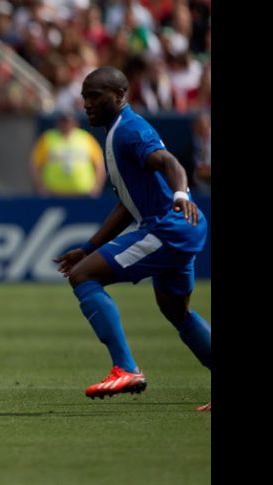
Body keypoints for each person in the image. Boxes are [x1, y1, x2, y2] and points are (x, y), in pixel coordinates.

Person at [53, 67, 211, 412]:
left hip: (169, 226)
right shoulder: (116, 133)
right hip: (177, 227)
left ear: (120, 96)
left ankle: (125, 368)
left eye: (95, 96)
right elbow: (127, 204)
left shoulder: (130, 131)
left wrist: (181, 196)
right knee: (175, 310)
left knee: (84, 276)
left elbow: (170, 163)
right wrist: (89, 247)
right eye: (84, 97)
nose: (87, 104)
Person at [29, 111, 106, 197]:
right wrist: (41, 187)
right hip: (54, 194)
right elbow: (35, 164)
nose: (66, 125)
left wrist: (97, 186)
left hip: (83, 194)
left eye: (68, 121)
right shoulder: (48, 138)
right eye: (63, 121)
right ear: (58, 123)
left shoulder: (85, 138)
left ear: (75, 123)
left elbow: (99, 164)